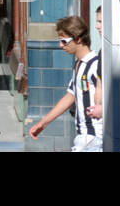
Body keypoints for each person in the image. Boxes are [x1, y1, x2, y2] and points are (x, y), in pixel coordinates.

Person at [28, 15, 102, 151]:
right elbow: (70, 96)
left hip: (93, 139)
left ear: (78, 39)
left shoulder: (95, 65)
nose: (60, 45)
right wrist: (43, 124)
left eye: (64, 41)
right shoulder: (79, 64)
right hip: (85, 138)